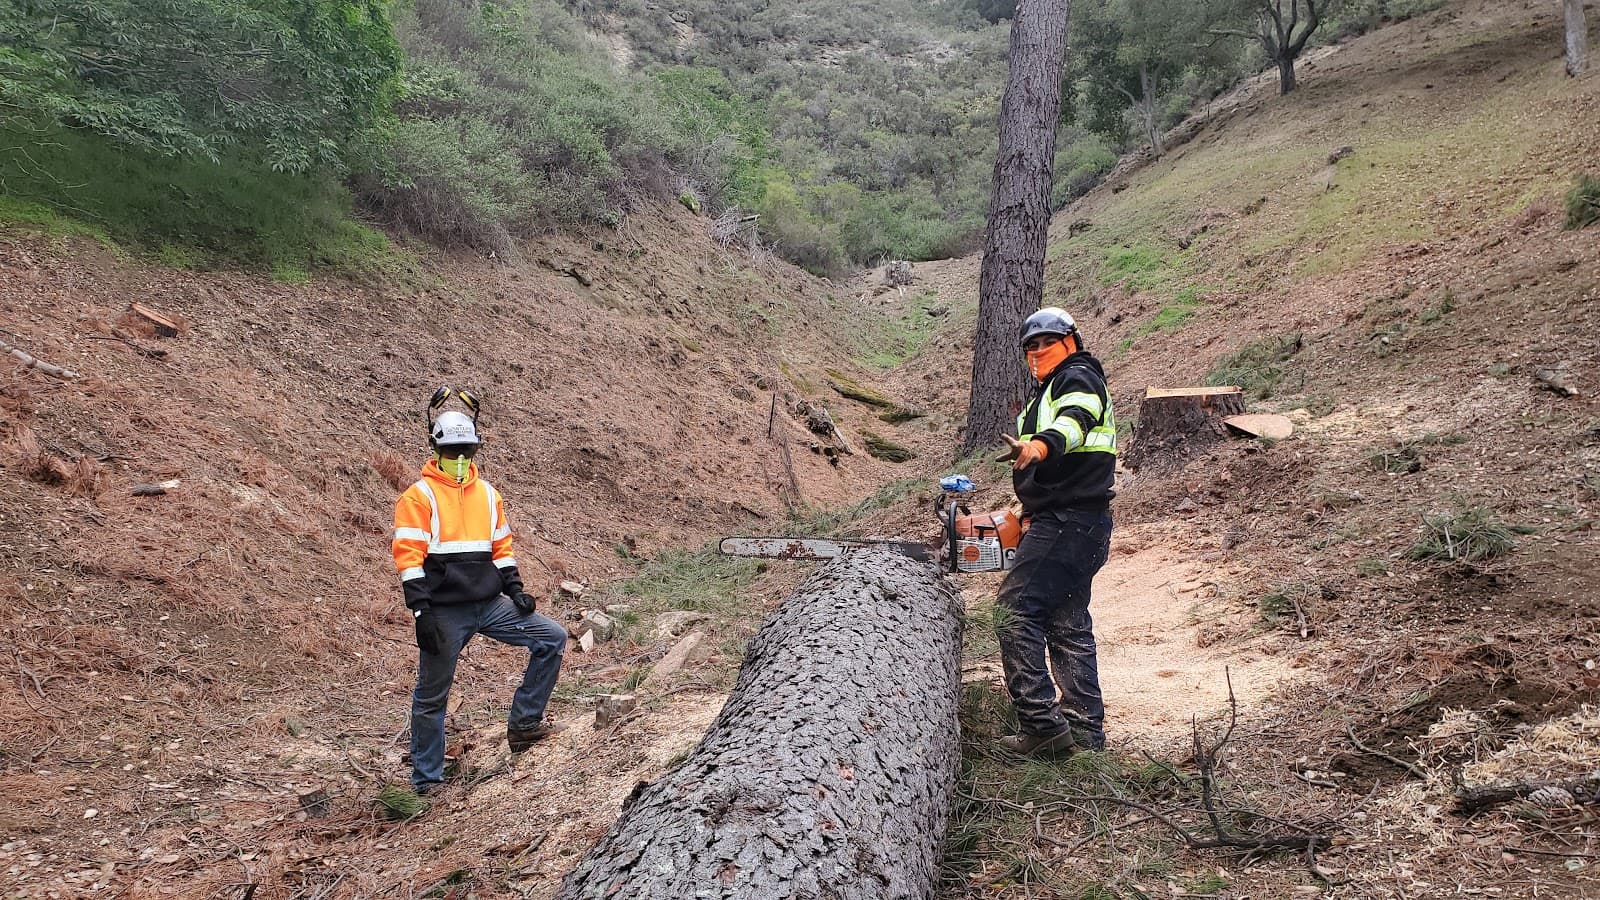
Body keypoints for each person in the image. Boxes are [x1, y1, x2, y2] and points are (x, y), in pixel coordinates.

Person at [392, 388, 567, 793]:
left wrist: (516, 589)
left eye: (465, 451)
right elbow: (409, 558)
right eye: (452, 452)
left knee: (551, 638)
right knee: (433, 695)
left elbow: (501, 547)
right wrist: (421, 613)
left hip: (490, 603)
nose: (458, 460)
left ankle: (524, 724)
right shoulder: (418, 497)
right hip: (444, 611)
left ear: (474, 448)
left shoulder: (488, 494)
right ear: (435, 446)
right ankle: (426, 780)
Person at [993, 308, 1117, 756]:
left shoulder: (1077, 376)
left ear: (1071, 342)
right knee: (1067, 621)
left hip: (1069, 522)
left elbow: (1073, 422)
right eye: (1032, 345)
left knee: (1015, 610)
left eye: (1048, 342)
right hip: (1078, 521)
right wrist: (1027, 506)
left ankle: (1043, 726)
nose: (1039, 351)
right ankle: (1083, 731)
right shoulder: (1044, 393)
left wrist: (1040, 445)